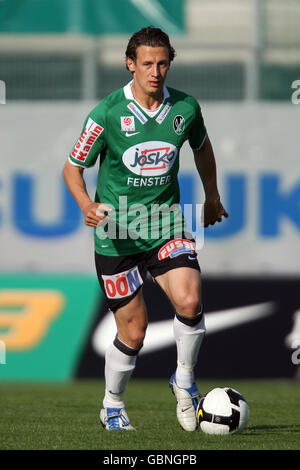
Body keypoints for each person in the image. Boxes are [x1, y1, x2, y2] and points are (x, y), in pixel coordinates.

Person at [63, 26, 228, 432]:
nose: (156, 71)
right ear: (130, 64)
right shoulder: (107, 114)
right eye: (147, 64)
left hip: (166, 226)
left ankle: (185, 381)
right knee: (133, 332)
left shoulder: (185, 109)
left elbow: (202, 148)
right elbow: (72, 167)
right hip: (116, 234)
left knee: (189, 301)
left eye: (163, 63)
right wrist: (86, 204)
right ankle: (113, 404)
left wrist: (212, 197)